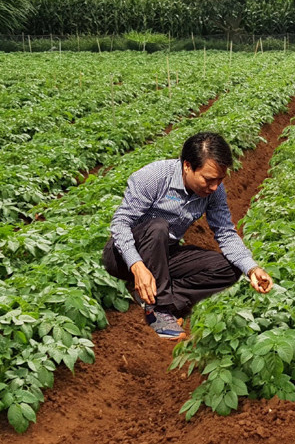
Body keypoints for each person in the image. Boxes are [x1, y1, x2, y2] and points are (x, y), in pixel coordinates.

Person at [103, 132, 273, 340]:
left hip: (164, 253)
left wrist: (252, 268)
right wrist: (137, 266)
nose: (215, 187)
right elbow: (120, 224)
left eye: (220, 180)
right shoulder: (155, 177)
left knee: (230, 268)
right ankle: (159, 310)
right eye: (209, 179)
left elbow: (225, 232)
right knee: (158, 227)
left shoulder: (214, 192)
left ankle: (161, 298)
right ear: (187, 166)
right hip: (123, 256)